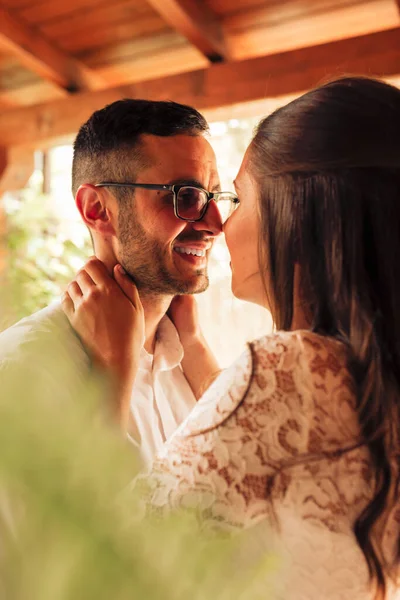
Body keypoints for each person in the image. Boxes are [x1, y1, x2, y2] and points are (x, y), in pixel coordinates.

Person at [62, 76, 400, 599]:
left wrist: (112, 370)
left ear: (299, 212)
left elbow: (103, 568)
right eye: (190, 197)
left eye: (237, 198)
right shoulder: (372, 374)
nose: (218, 222)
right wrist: (195, 351)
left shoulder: (289, 371)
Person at [0, 99, 240, 468]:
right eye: (185, 196)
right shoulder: (22, 373)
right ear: (97, 209)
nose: (215, 223)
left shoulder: (195, 360)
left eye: (213, 197)